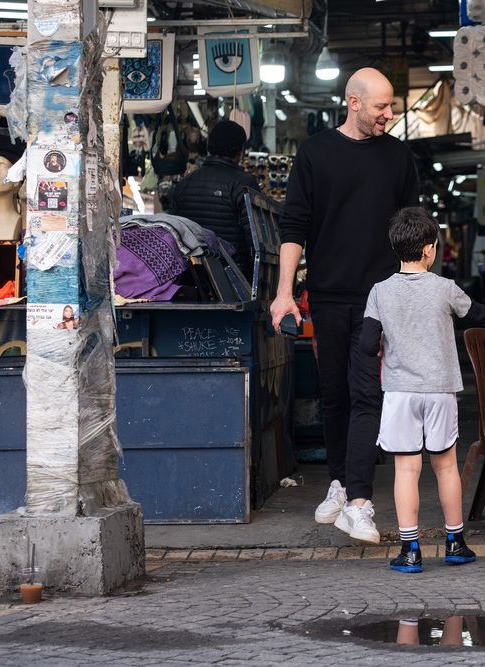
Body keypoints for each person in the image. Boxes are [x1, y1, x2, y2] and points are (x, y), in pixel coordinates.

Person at [271, 68, 420, 544]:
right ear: (353, 103)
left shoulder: (398, 156)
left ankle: (359, 500)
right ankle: (339, 483)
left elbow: (414, 230)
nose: (389, 115)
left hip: (382, 298)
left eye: (391, 106)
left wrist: (417, 289)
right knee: (334, 395)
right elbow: (293, 227)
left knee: (366, 395)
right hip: (329, 296)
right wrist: (283, 293)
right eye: (381, 107)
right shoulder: (315, 154)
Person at [358, 207, 485, 572]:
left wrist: (389, 343)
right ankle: (455, 543)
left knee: (406, 470)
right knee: (445, 466)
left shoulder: (379, 292)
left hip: (400, 393)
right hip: (439, 390)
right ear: (427, 249)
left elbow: (367, 344)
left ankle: (410, 551)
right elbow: (482, 315)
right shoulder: (445, 288)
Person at [167, 120, 260, 278]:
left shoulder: (184, 184)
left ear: (209, 147)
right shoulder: (243, 184)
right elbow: (255, 239)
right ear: (240, 151)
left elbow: (172, 233)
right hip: (235, 279)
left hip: (193, 278)